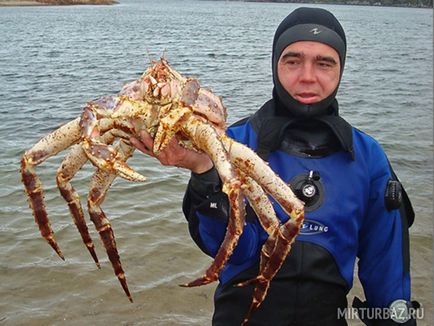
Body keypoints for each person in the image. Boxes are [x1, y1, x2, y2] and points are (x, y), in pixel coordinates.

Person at [131, 7, 418, 326]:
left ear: (341, 69)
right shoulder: (232, 142)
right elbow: (227, 251)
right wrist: (203, 169)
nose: (307, 76)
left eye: (324, 63)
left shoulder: (368, 157)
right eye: (293, 61)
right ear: (275, 64)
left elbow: (388, 280)